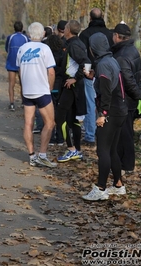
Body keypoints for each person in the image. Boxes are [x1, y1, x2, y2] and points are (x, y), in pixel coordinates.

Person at [82, 33, 128, 201]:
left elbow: (107, 90)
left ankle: (101, 188)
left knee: (103, 150)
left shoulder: (102, 64)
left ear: (93, 48)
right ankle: (118, 185)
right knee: (112, 149)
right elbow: (111, 82)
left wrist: (103, 114)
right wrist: (93, 77)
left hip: (111, 111)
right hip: (121, 110)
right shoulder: (111, 60)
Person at [16, 22, 57, 168]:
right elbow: (51, 72)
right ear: (43, 34)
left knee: (28, 124)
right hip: (42, 90)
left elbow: (20, 72)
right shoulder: (45, 48)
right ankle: (43, 155)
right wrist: (50, 88)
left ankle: (32, 155)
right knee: (50, 123)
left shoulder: (22, 49)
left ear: (29, 34)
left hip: (27, 90)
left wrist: (22, 88)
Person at [111, 22, 141, 177]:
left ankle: (126, 165)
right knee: (126, 132)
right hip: (130, 98)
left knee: (124, 134)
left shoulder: (122, 55)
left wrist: (137, 94)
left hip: (125, 98)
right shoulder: (132, 50)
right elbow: (140, 73)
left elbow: (128, 79)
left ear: (117, 36)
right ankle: (125, 163)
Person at [56, 20, 90, 163]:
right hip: (75, 86)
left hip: (72, 86)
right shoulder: (75, 43)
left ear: (68, 29)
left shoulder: (74, 45)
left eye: (66, 27)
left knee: (60, 118)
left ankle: (71, 149)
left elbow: (87, 63)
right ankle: (77, 150)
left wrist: (76, 79)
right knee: (73, 119)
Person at [79, 8, 114, 146]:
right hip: (107, 72)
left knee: (90, 104)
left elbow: (84, 55)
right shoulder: (109, 34)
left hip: (91, 73)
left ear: (90, 18)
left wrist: (87, 72)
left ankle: (90, 135)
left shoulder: (85, 34)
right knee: (106, 101)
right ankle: (105, 132)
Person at [5, 21, 30, 111]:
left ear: (14, 28)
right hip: (22, 63)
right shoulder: (25, 38)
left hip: (12, 62)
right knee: (23, 83)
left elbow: (7, 48)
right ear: (22, 28)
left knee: (11, 84)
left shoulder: (10, 37)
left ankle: (12, 104)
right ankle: (24, 102)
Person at [45, 34, 65, 145]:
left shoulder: (47, 55)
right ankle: (60, 138)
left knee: (49, 114)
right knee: (60, 113)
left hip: (49, 85)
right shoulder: (63, 54)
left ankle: (51, 138)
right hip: (60, 86)